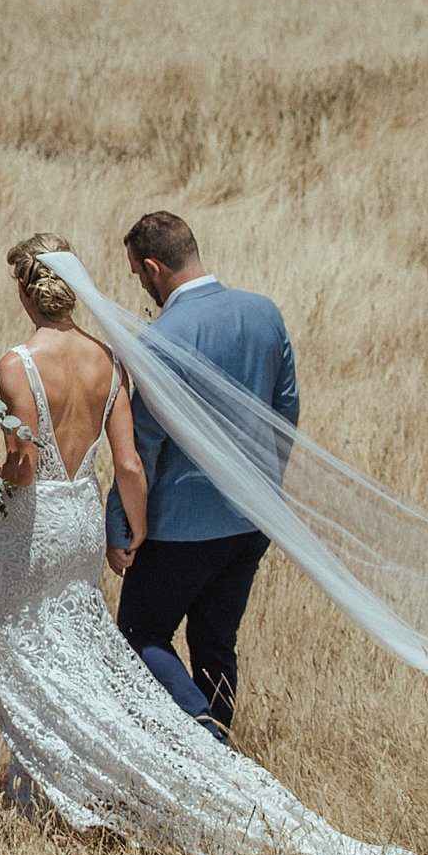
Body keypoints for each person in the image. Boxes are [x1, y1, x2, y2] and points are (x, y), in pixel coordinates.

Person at [0, 232, 428, 855]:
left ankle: (119, 766)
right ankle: (52, 786)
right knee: (100, 646)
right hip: (100, 521)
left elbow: (18, 465)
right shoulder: (109, 357)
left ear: (23, 289)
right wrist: (138, 521)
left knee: (18, 656)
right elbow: (128, 462)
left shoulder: (17, 363)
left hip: (38, 522)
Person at [106, 210, 294, 743]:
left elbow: (141, 445)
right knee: (216, 641)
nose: (140, 286)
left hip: (180, 530)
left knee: (142, 635)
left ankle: (207, 738)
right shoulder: (265, 314)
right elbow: (285, 414)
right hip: (253, 520)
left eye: (137, 274)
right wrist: (263, 492)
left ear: (152, 267)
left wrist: (121, 529)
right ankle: (225, 775)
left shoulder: (164, 337)